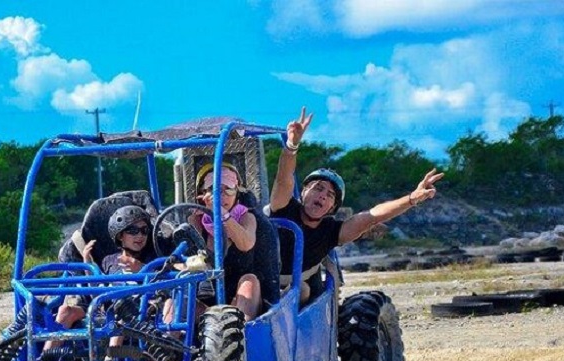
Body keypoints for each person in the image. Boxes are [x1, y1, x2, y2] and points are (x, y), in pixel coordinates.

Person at [270, 107, 445, 304]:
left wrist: (412, 198)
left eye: (330, 196)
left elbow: (373, 216)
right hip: (262, 280)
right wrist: (292, 146)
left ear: (332, 207)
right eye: (318, 188)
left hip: (296, 293)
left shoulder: (332, 232)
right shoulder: (283, 207)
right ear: (303, 191)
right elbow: (284, 180)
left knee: (301, 290)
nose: (322, 196)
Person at [43, 205, 153, 355]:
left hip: (138, 309)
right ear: (120, 235)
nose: (140, 235)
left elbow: (164, 284)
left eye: (144, 230)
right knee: (65, 310)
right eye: (133, 231)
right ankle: (45, 359)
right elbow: (97, 289)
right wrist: (88, 264)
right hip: (106, 307)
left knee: (122, 308)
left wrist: (142, 268)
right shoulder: (109, 260)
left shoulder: (152, 259)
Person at [188, 162, 262, 321]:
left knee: (250, 280)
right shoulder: (195, 220)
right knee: (173, 300)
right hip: (205, 304)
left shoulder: (246, 217)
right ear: (203, 195)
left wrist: (222, 214)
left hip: (239, 301)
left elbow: (246, 243)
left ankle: (241, 338)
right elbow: (180, 260)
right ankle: (166, 343)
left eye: (227, 189)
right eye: (213, 190)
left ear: (237, 192)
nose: (221, 196)